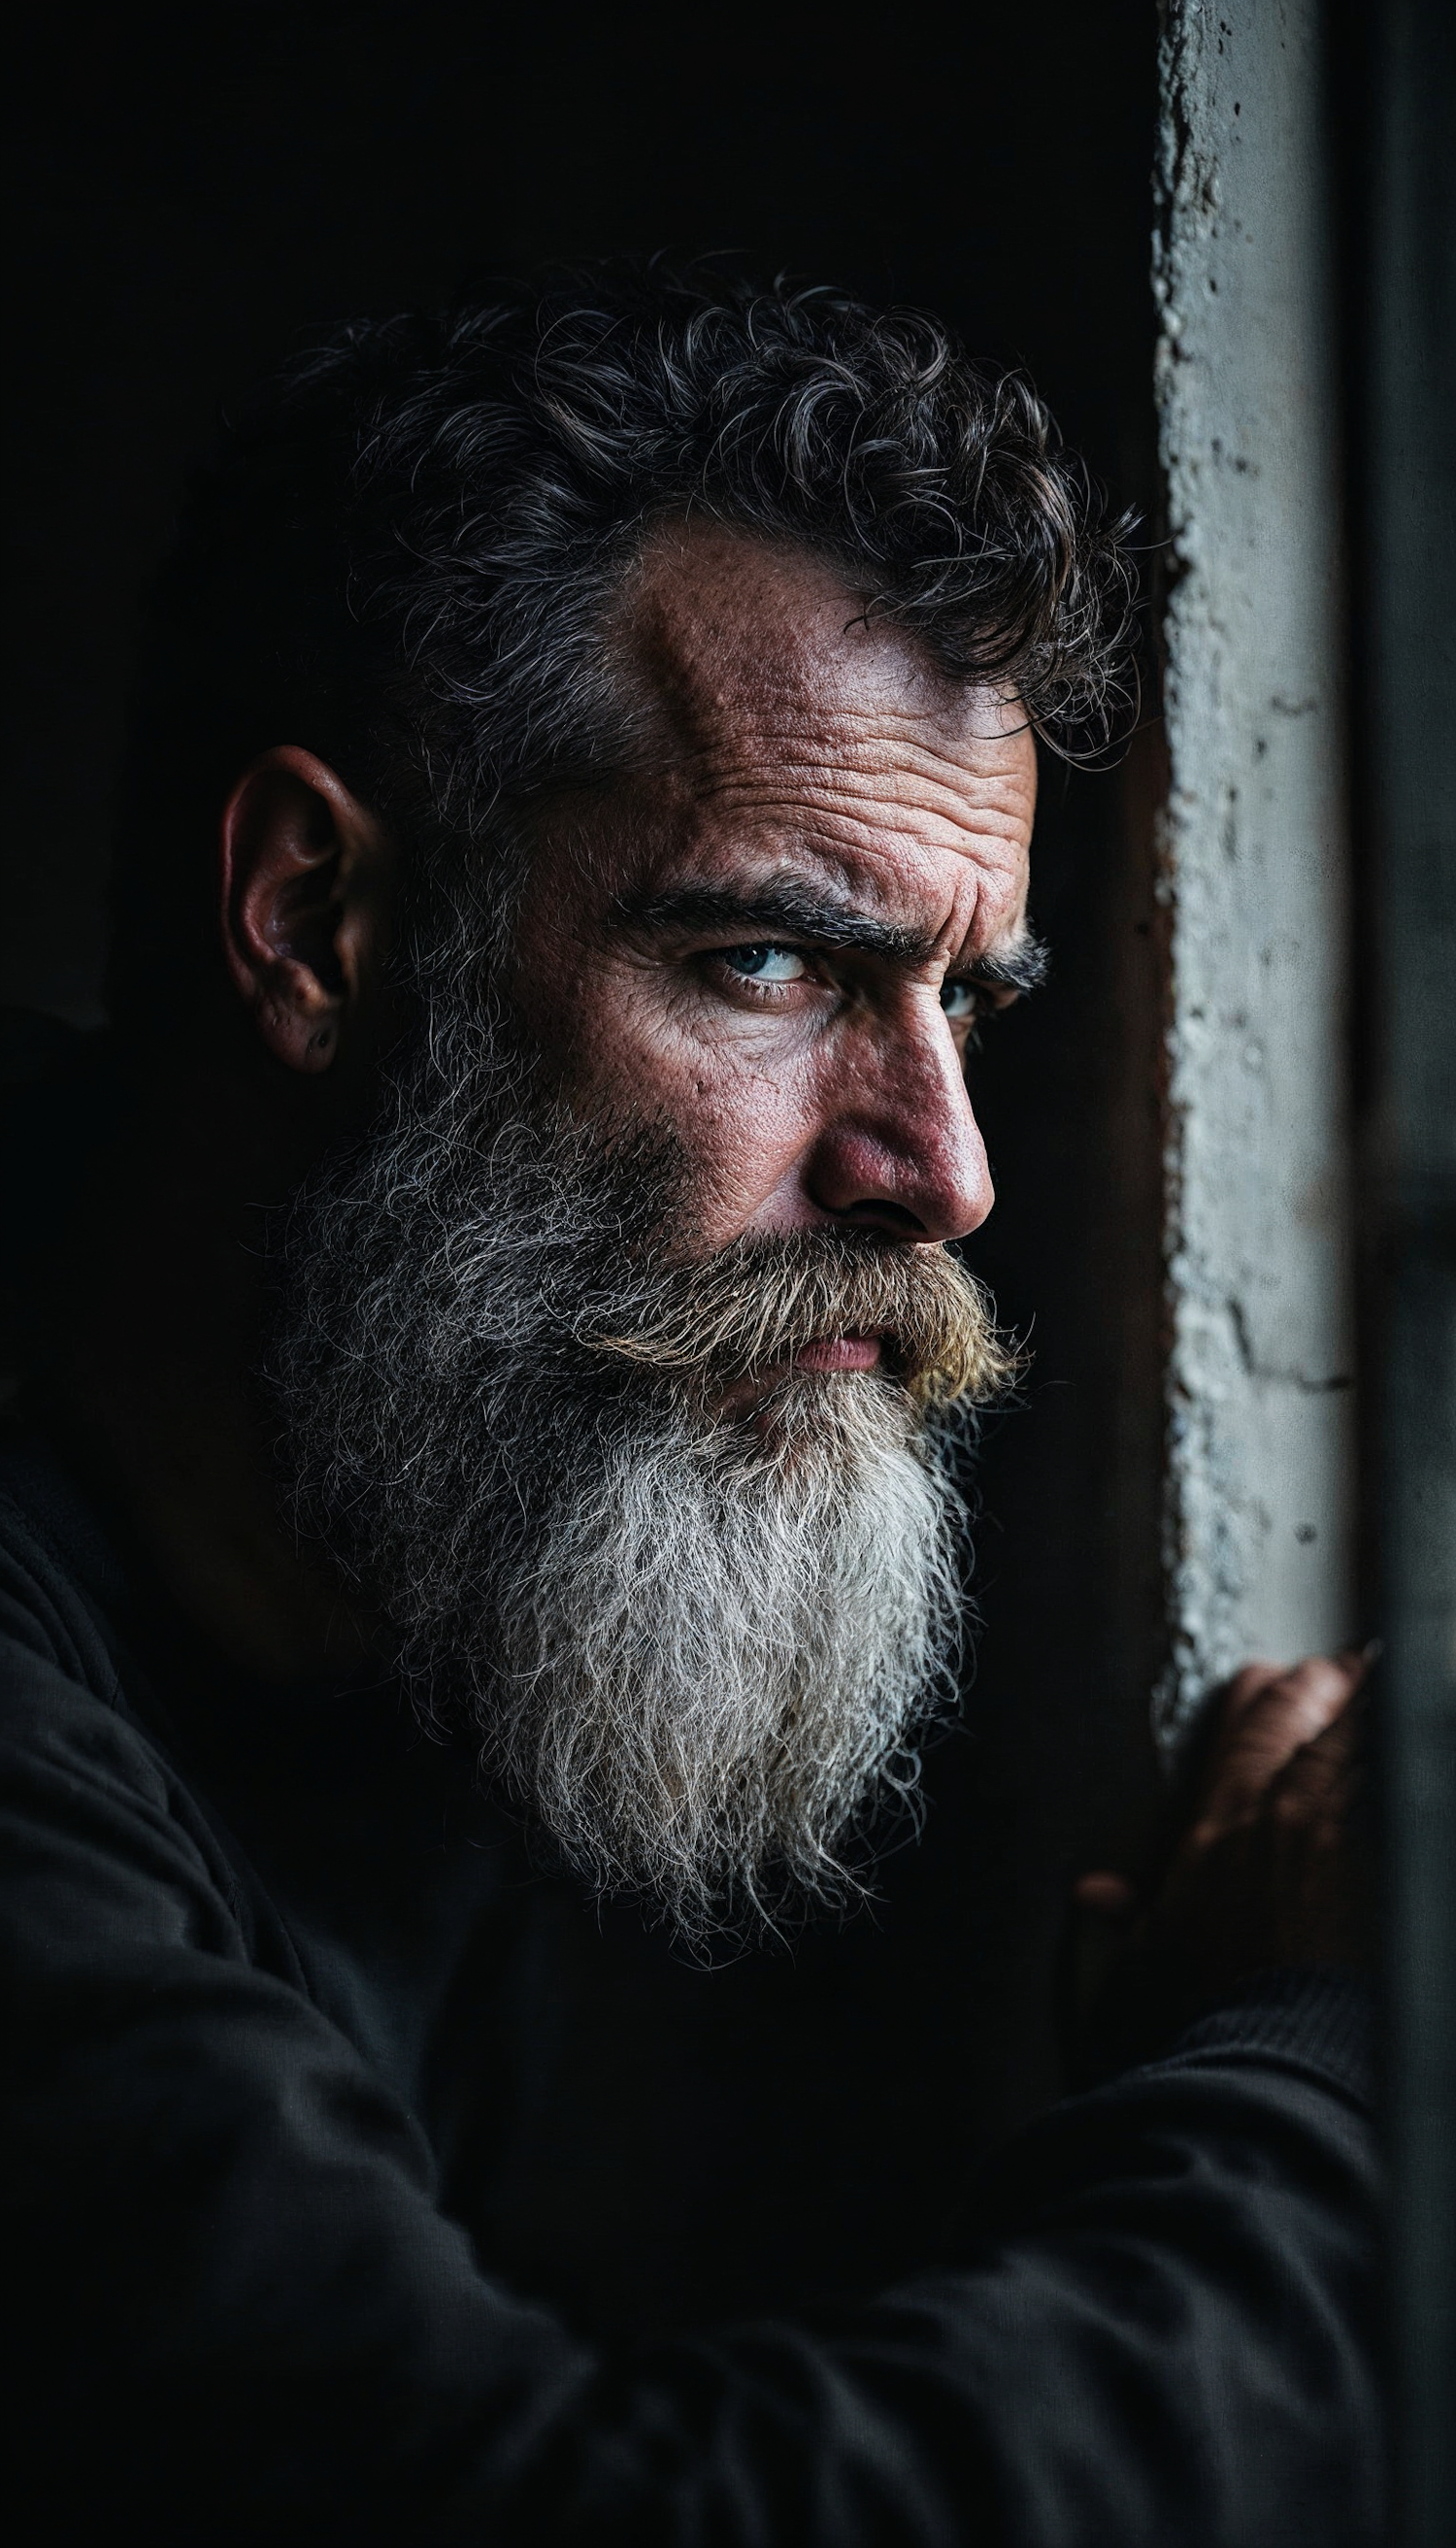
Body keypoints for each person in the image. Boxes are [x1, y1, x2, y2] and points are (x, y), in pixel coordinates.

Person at [1, 266, 1378, 2543]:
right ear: (315, 919)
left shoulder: (409, 1519)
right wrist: (1342, 2064)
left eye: (957, 993)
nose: (944, 1169)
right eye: (769, 960)